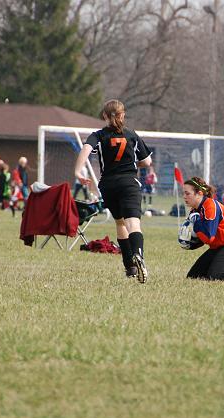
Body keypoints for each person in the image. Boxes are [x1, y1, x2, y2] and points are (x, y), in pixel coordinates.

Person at [74, 99, 153, 282]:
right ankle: (139, 255)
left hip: (108, 185)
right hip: (129, 183)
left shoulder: (98, 136)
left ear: (104, 116)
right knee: (133, 224)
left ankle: (130, 267)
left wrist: (78, 172)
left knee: (119, 223)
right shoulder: (131, 135)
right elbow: (147, 162)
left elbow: (85, 151)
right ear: (123, 115)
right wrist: (133, 162)